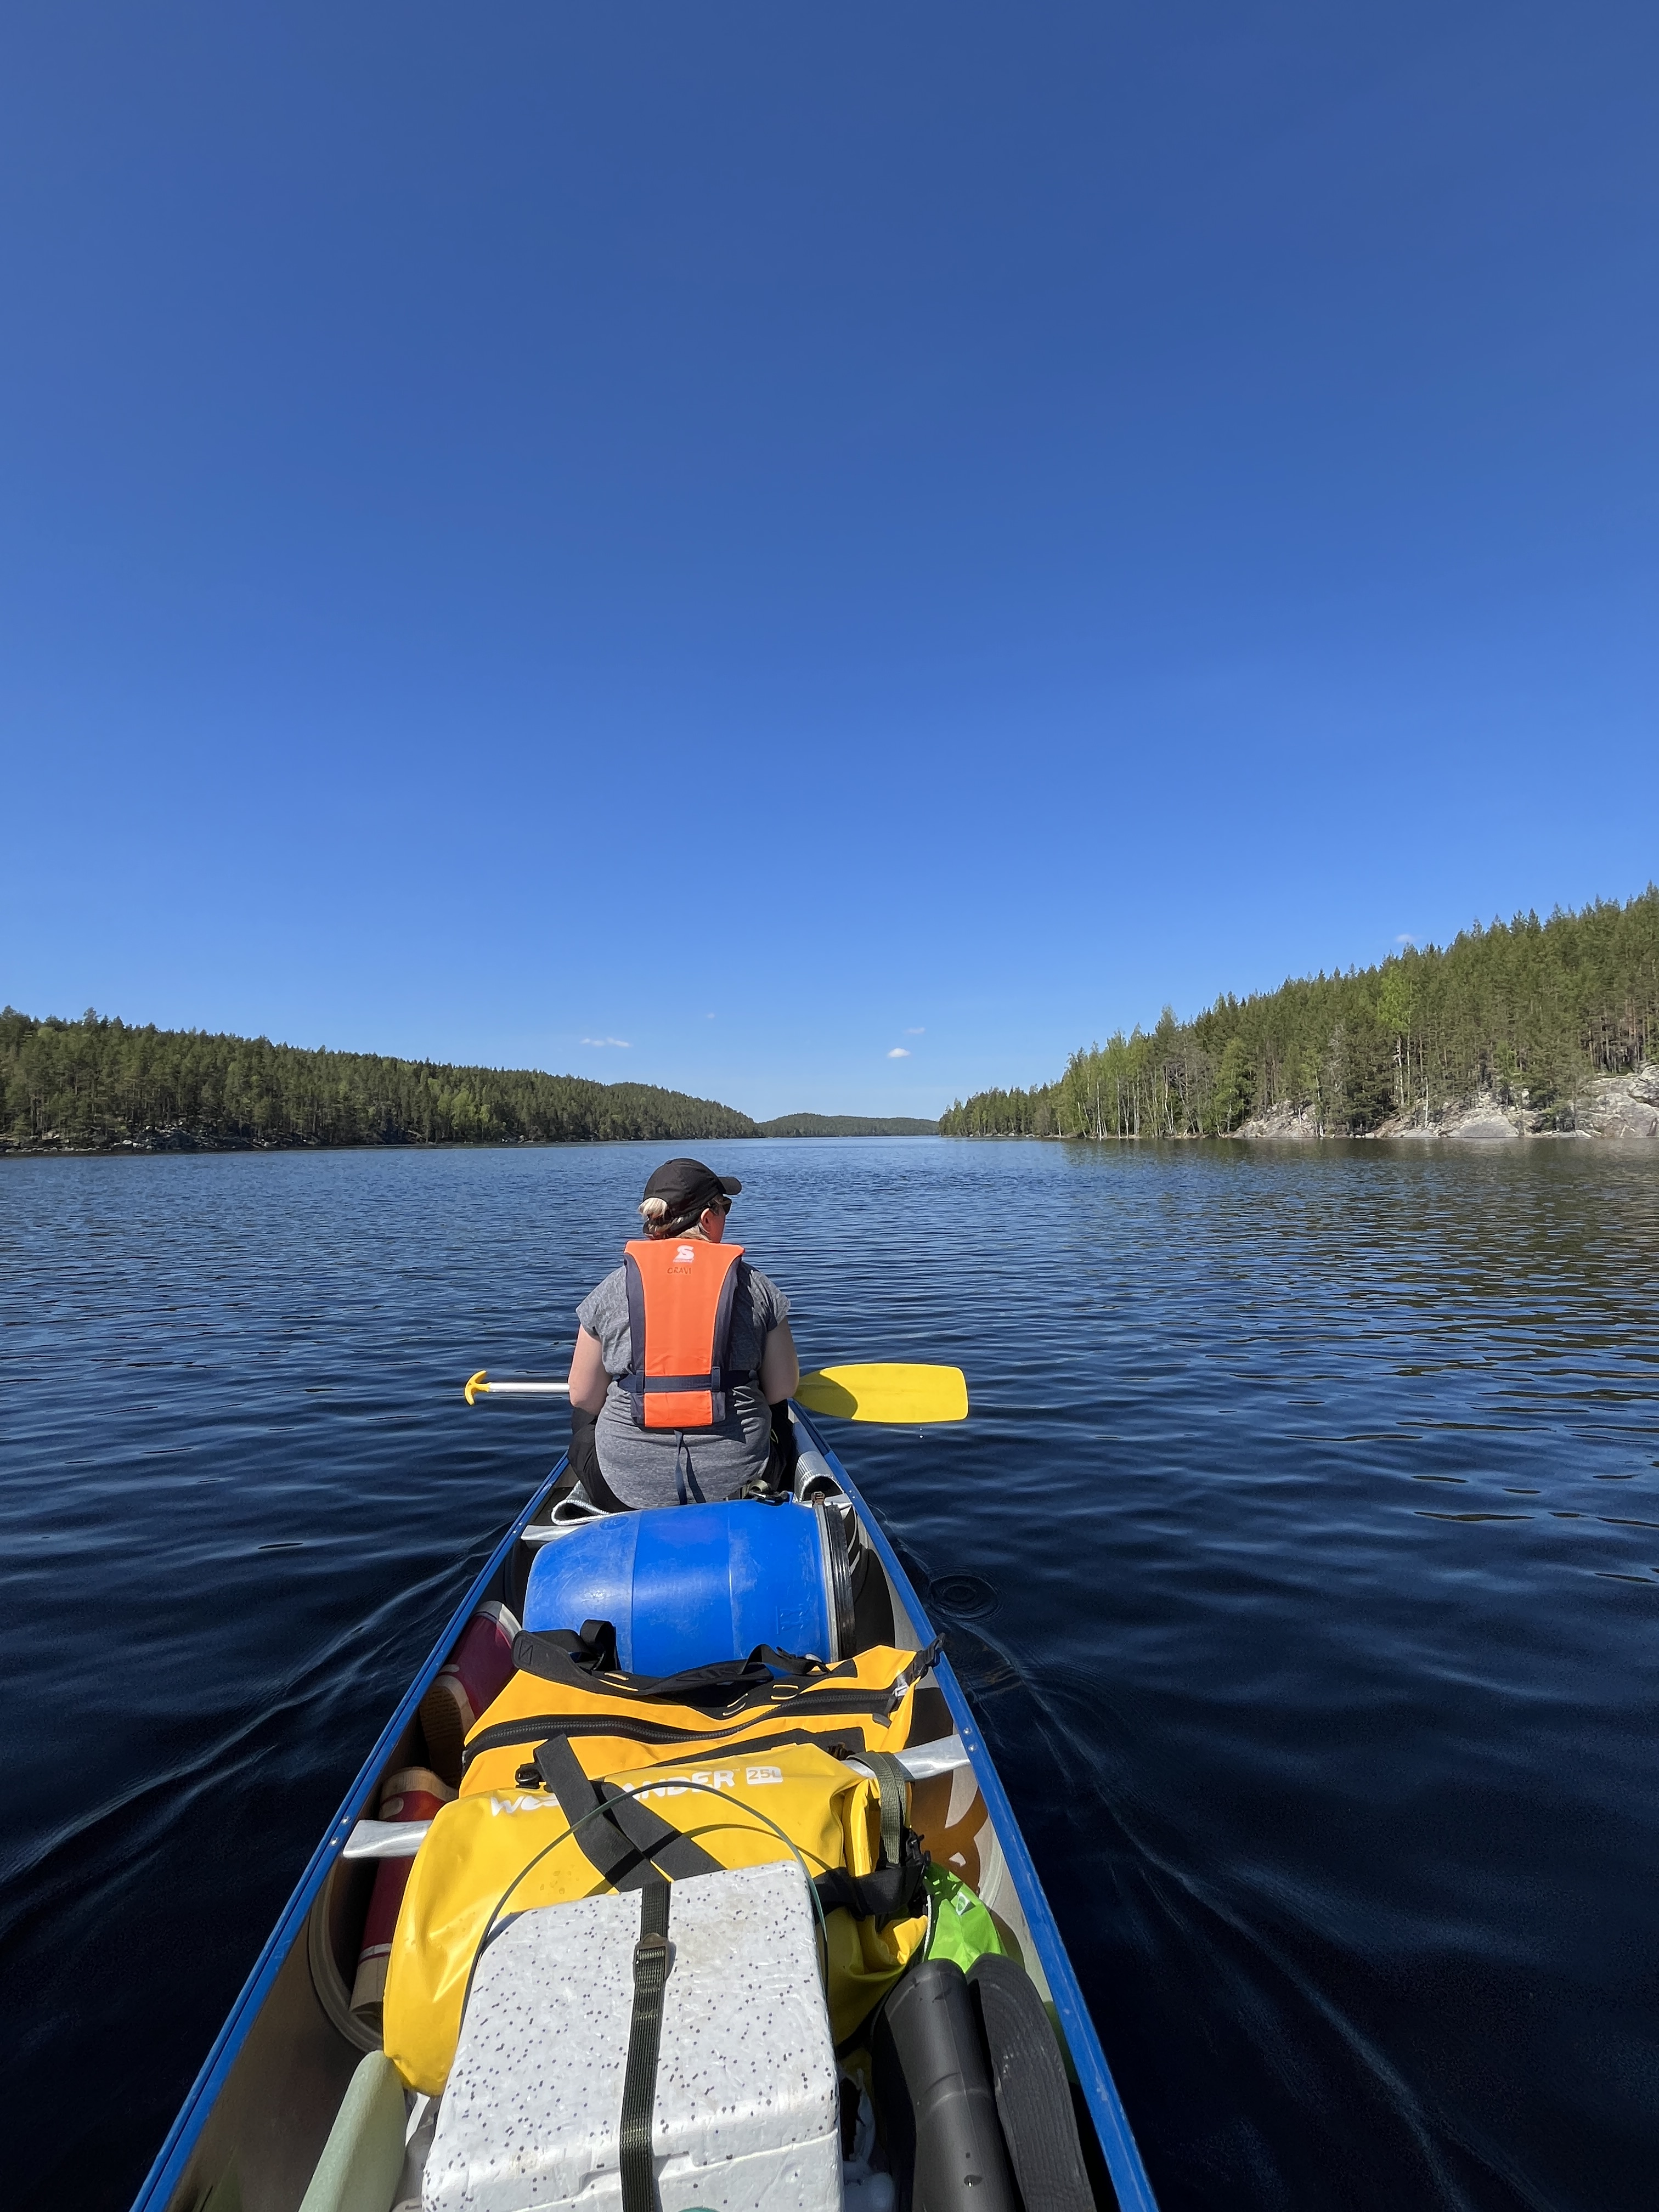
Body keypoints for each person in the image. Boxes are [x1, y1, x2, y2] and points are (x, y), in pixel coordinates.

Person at [565, 1158, 800, 1509]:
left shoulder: (612, 1289)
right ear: (707, 1219)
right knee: (778, 1409)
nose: (726, 1216)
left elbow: (582, 1395)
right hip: (740, 1482)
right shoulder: (756, 1287)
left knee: (586, 1411)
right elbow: (783, 1387)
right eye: (725, 1207)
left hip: (621, 1489)